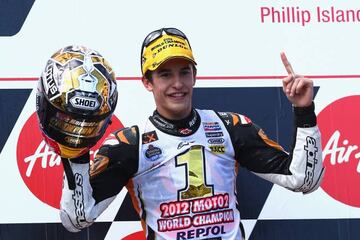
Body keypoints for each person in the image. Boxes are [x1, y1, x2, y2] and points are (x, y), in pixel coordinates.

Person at [37, 28, 325, 240]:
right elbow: (76, 219)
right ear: (147, 82)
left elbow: (303, 179)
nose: (177, 83)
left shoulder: (230, 126)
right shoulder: (129, 145)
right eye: (164, 74)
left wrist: (304, 111)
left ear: (195, 75)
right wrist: (74, 150)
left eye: (184, 72)